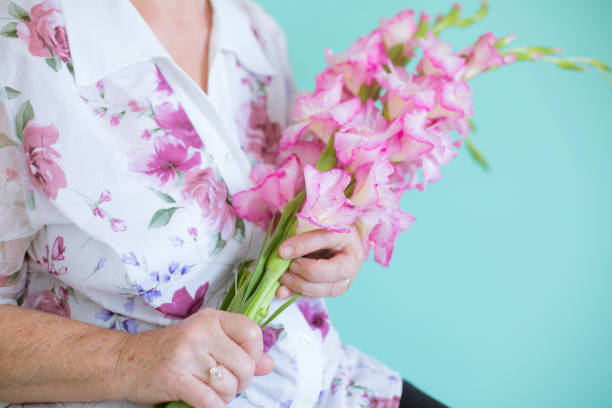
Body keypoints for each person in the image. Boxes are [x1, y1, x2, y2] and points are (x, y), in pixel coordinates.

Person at [0, 0, 447, 407]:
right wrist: (129, 362)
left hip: (333, 384)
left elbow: (284, 210)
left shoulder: (255, 32)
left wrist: (333, 244)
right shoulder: (16, 46)